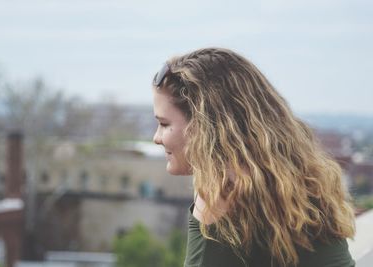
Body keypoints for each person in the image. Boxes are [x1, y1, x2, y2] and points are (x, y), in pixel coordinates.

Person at [152, 47, 355, 267]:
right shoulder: (296, 178)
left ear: (203, 126)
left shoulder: (223, 189)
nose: (157, 137)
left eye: (164, 124)